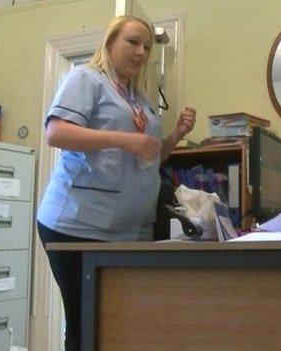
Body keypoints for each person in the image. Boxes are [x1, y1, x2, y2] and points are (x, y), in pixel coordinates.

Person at [36, 16, 196, 351]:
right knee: (85, 323)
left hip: (125, 228)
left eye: (147, 47)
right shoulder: (86, 79)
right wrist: (123, 139)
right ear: (110, 43)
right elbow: (56, 133)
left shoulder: (139, 98)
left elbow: (151, 157)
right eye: (133, 42)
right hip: (77, 224)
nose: (141, 52)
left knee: (115, 322)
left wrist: (177, 135)